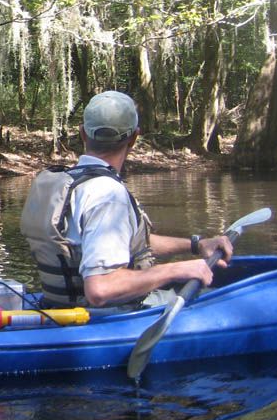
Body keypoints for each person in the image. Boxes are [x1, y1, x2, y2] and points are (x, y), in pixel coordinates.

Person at [21, 90, 233, 310]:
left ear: (83, 134)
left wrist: (196, 245)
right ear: (134, 138)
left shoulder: (68, 185)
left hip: (57, 308)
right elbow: (100, 289)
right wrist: (176, 269)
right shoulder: (108, 195)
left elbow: (118, 242)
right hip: (103, 315)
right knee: (217, 298)